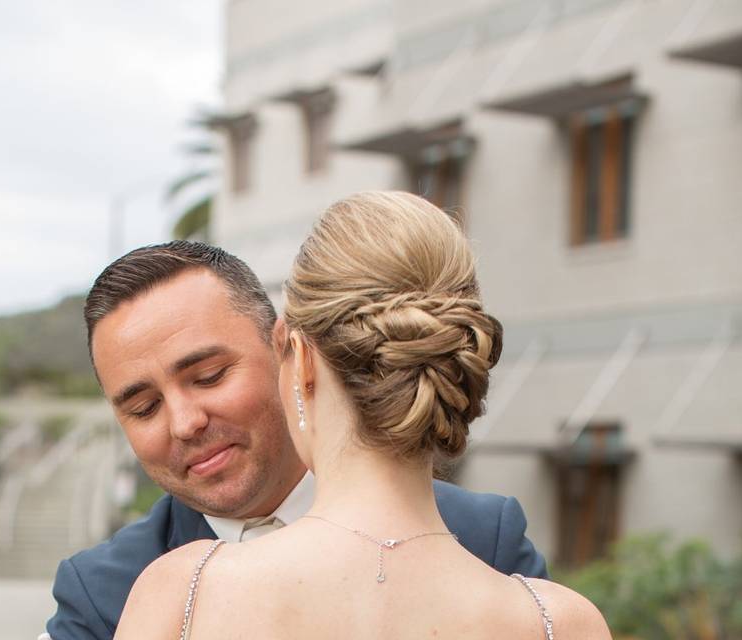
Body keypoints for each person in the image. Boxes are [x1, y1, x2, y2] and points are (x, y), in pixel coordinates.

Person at [45, 196, 554, 640]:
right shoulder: (105, 592)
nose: (184, 422)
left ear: (288, 352)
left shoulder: (485, 537)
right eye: (143, 408)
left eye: (210, 376)